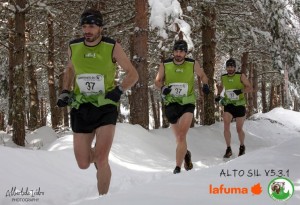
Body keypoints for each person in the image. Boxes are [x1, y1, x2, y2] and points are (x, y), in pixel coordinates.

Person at [56, 9, 138, 195]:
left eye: (91, 26)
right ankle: (98, 158)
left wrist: (118, 91)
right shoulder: (74, 46)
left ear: (100, 27)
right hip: (81, 107)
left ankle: (104, 198)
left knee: (102, 159)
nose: (87, 30)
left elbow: (133, 74)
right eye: (84, 26)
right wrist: (65, 91)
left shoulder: (112, 46)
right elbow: (69, 70)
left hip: (105, 106)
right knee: (83, 163)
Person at [155, 40, 210, 174]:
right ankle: (186, 154)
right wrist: (162, 88)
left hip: (187, 102)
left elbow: (203, 75)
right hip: (171, 103)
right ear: (173, 51)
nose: (178, 54)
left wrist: (205, 84)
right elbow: (157, 81)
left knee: (181, 136)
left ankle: (177, 168)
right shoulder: (165, 64)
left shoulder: (192, 63)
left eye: (181, 51)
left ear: (185, 53)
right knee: (179, 139)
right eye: (176, 51)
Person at [215, 58, 252, 158]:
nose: (230, 69)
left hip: (239, 105)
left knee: (239, 129)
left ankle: (242, 146)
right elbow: (222, 88)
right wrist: (219, 95)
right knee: (226, 125)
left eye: (232, 66)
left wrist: (241, 91)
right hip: (229, 105)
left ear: (235, 67)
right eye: (228, 66)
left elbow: (249, 87)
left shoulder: (240, 76)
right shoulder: (224, 77)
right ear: (226, 68)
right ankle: (228, 149)